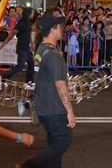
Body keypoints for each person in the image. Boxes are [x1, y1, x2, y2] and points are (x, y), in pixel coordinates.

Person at [19, 15, 76, 168]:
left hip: (42, 105)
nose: (62, 29)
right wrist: (70, 111)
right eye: (59, 27)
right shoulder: (53, 55)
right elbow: (60, 85)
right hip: (54, 108)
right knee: (63, 141)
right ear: (52, 30)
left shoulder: (41, 50)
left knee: (54, 145)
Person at [0, 8, 35, 84]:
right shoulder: (21, 23)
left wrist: (32, 44)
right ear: (28, 14)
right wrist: (4, 43)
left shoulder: (28, 23)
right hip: (22, 47)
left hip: (27, 47)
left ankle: (29, 81)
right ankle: (4, 76)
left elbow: (28, 34)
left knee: (31, 64)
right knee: (20, 66)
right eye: (32, 13)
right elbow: (13, 33)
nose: (33, 14)